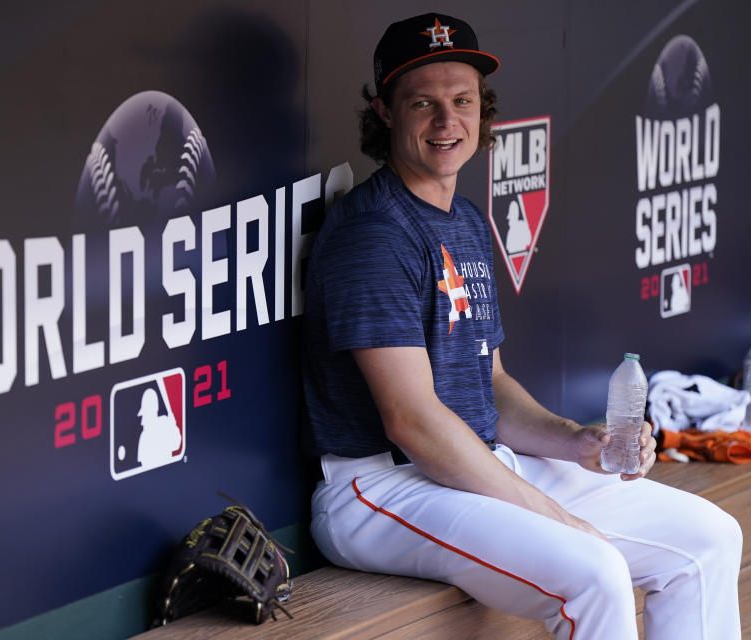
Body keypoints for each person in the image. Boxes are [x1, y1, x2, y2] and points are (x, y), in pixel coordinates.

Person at [301, 12, 741, 640]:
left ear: (483, 110)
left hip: (472, 464)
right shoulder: (373, 234)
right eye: (423, 103)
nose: (447, 121)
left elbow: (492, 383)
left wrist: (574, 441)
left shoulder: (466, 220)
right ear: (386, 113)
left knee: (709, 538)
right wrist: (553, 514)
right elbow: (413, 422)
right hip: (380, 488)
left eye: (462, 101)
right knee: (594, 572)